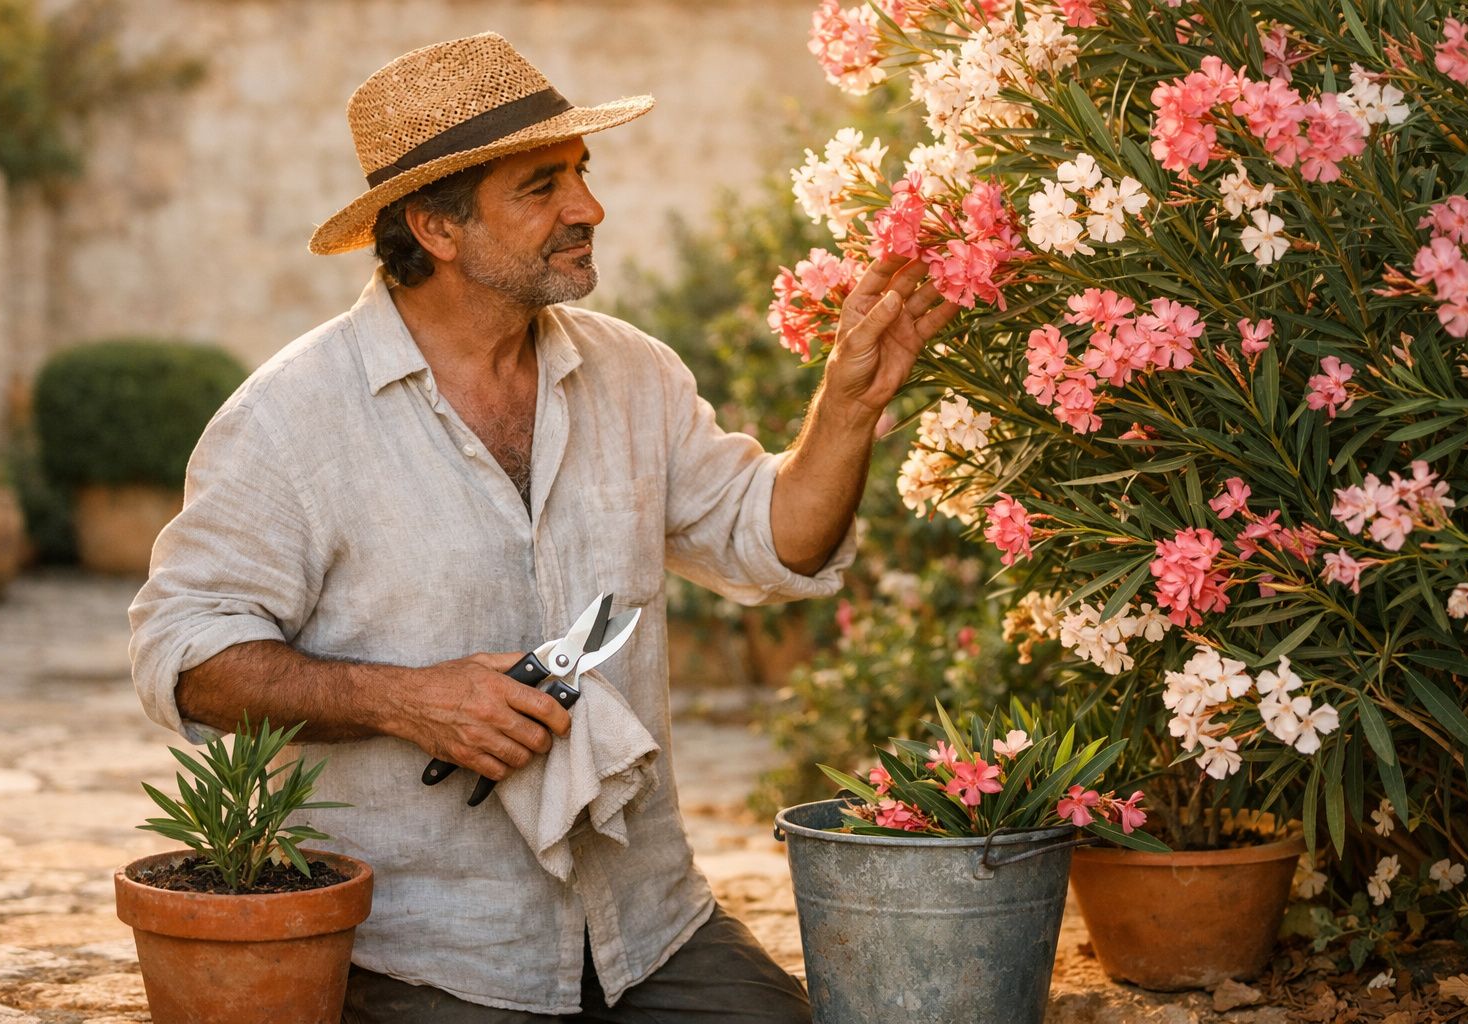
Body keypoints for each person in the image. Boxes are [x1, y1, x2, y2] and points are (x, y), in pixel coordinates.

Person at [128, 32, 955, 1024]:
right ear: (435, 225)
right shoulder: (288, 421)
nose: (588, 209)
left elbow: (778, 538)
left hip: (652, 930)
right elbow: (188, 656)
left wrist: (850, 406)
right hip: (424, 952)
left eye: (581, 174)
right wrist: (407, 701)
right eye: (541, 186)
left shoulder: (636, 375)